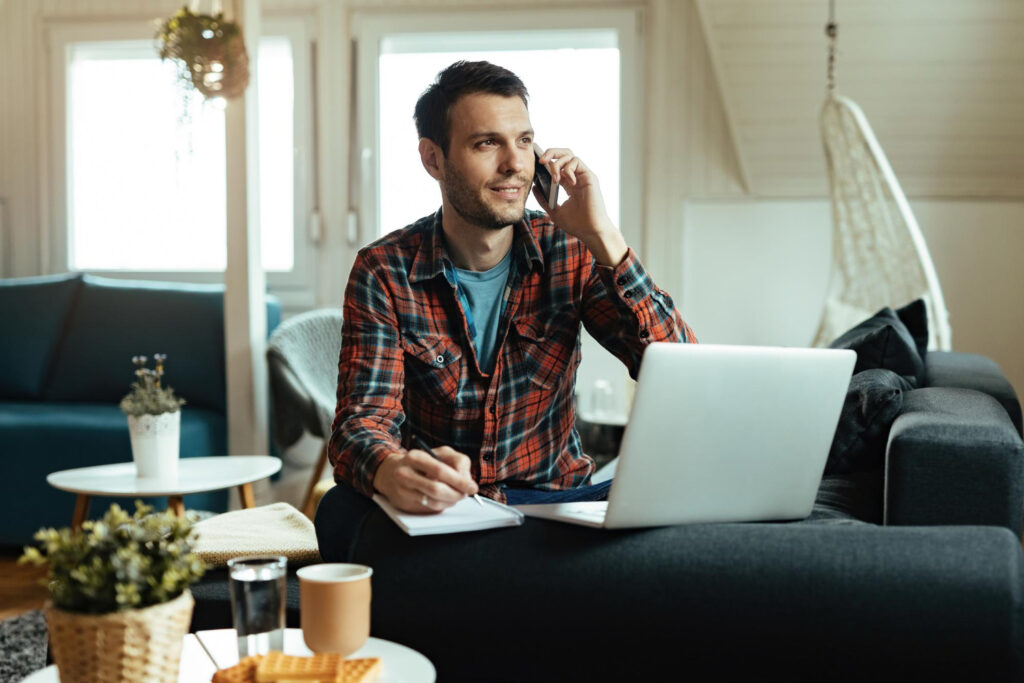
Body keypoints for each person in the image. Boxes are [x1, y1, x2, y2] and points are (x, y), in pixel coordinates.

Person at [315, 60, 696, 559]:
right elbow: (361, 423)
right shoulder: (384, 270)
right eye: (486, 143)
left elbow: (681, 372)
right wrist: (392, 471)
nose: (515, 163)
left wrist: (604, 237)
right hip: (447, 512)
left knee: (680, 509)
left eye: (524, 141)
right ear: (433, 159)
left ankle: (499, 577)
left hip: (556, 505)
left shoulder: (571, 248)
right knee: (339, 510)